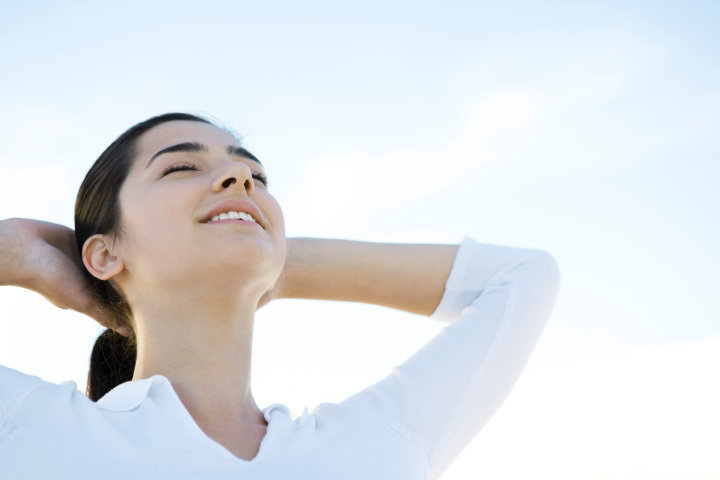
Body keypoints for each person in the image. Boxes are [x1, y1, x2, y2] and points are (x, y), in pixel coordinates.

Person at [0, 113, 560, 479]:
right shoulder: (35, 430)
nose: (239, 179)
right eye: (182, 167)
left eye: (256, 178)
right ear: (102, 254)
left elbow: (524, 276)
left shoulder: (371, 446)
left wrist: (273, 260)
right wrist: (24, 255)